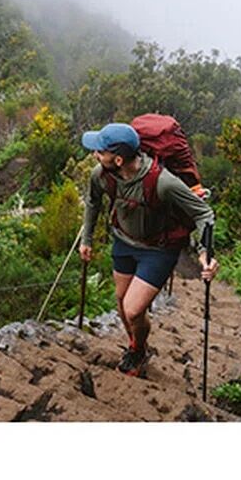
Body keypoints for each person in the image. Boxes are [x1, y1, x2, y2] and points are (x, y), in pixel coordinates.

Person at [79, 122, 218, 377]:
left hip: (159, 249)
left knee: (133, 309)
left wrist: (204, 253)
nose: (95, 155)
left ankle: (138, 349)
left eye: (100, 151)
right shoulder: (100, 174)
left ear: (118, 159)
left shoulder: (162, 182)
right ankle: (137, 347)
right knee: (122, 304)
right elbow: (92, 202)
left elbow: (204, 214)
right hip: (123, 240)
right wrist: (86, 239)